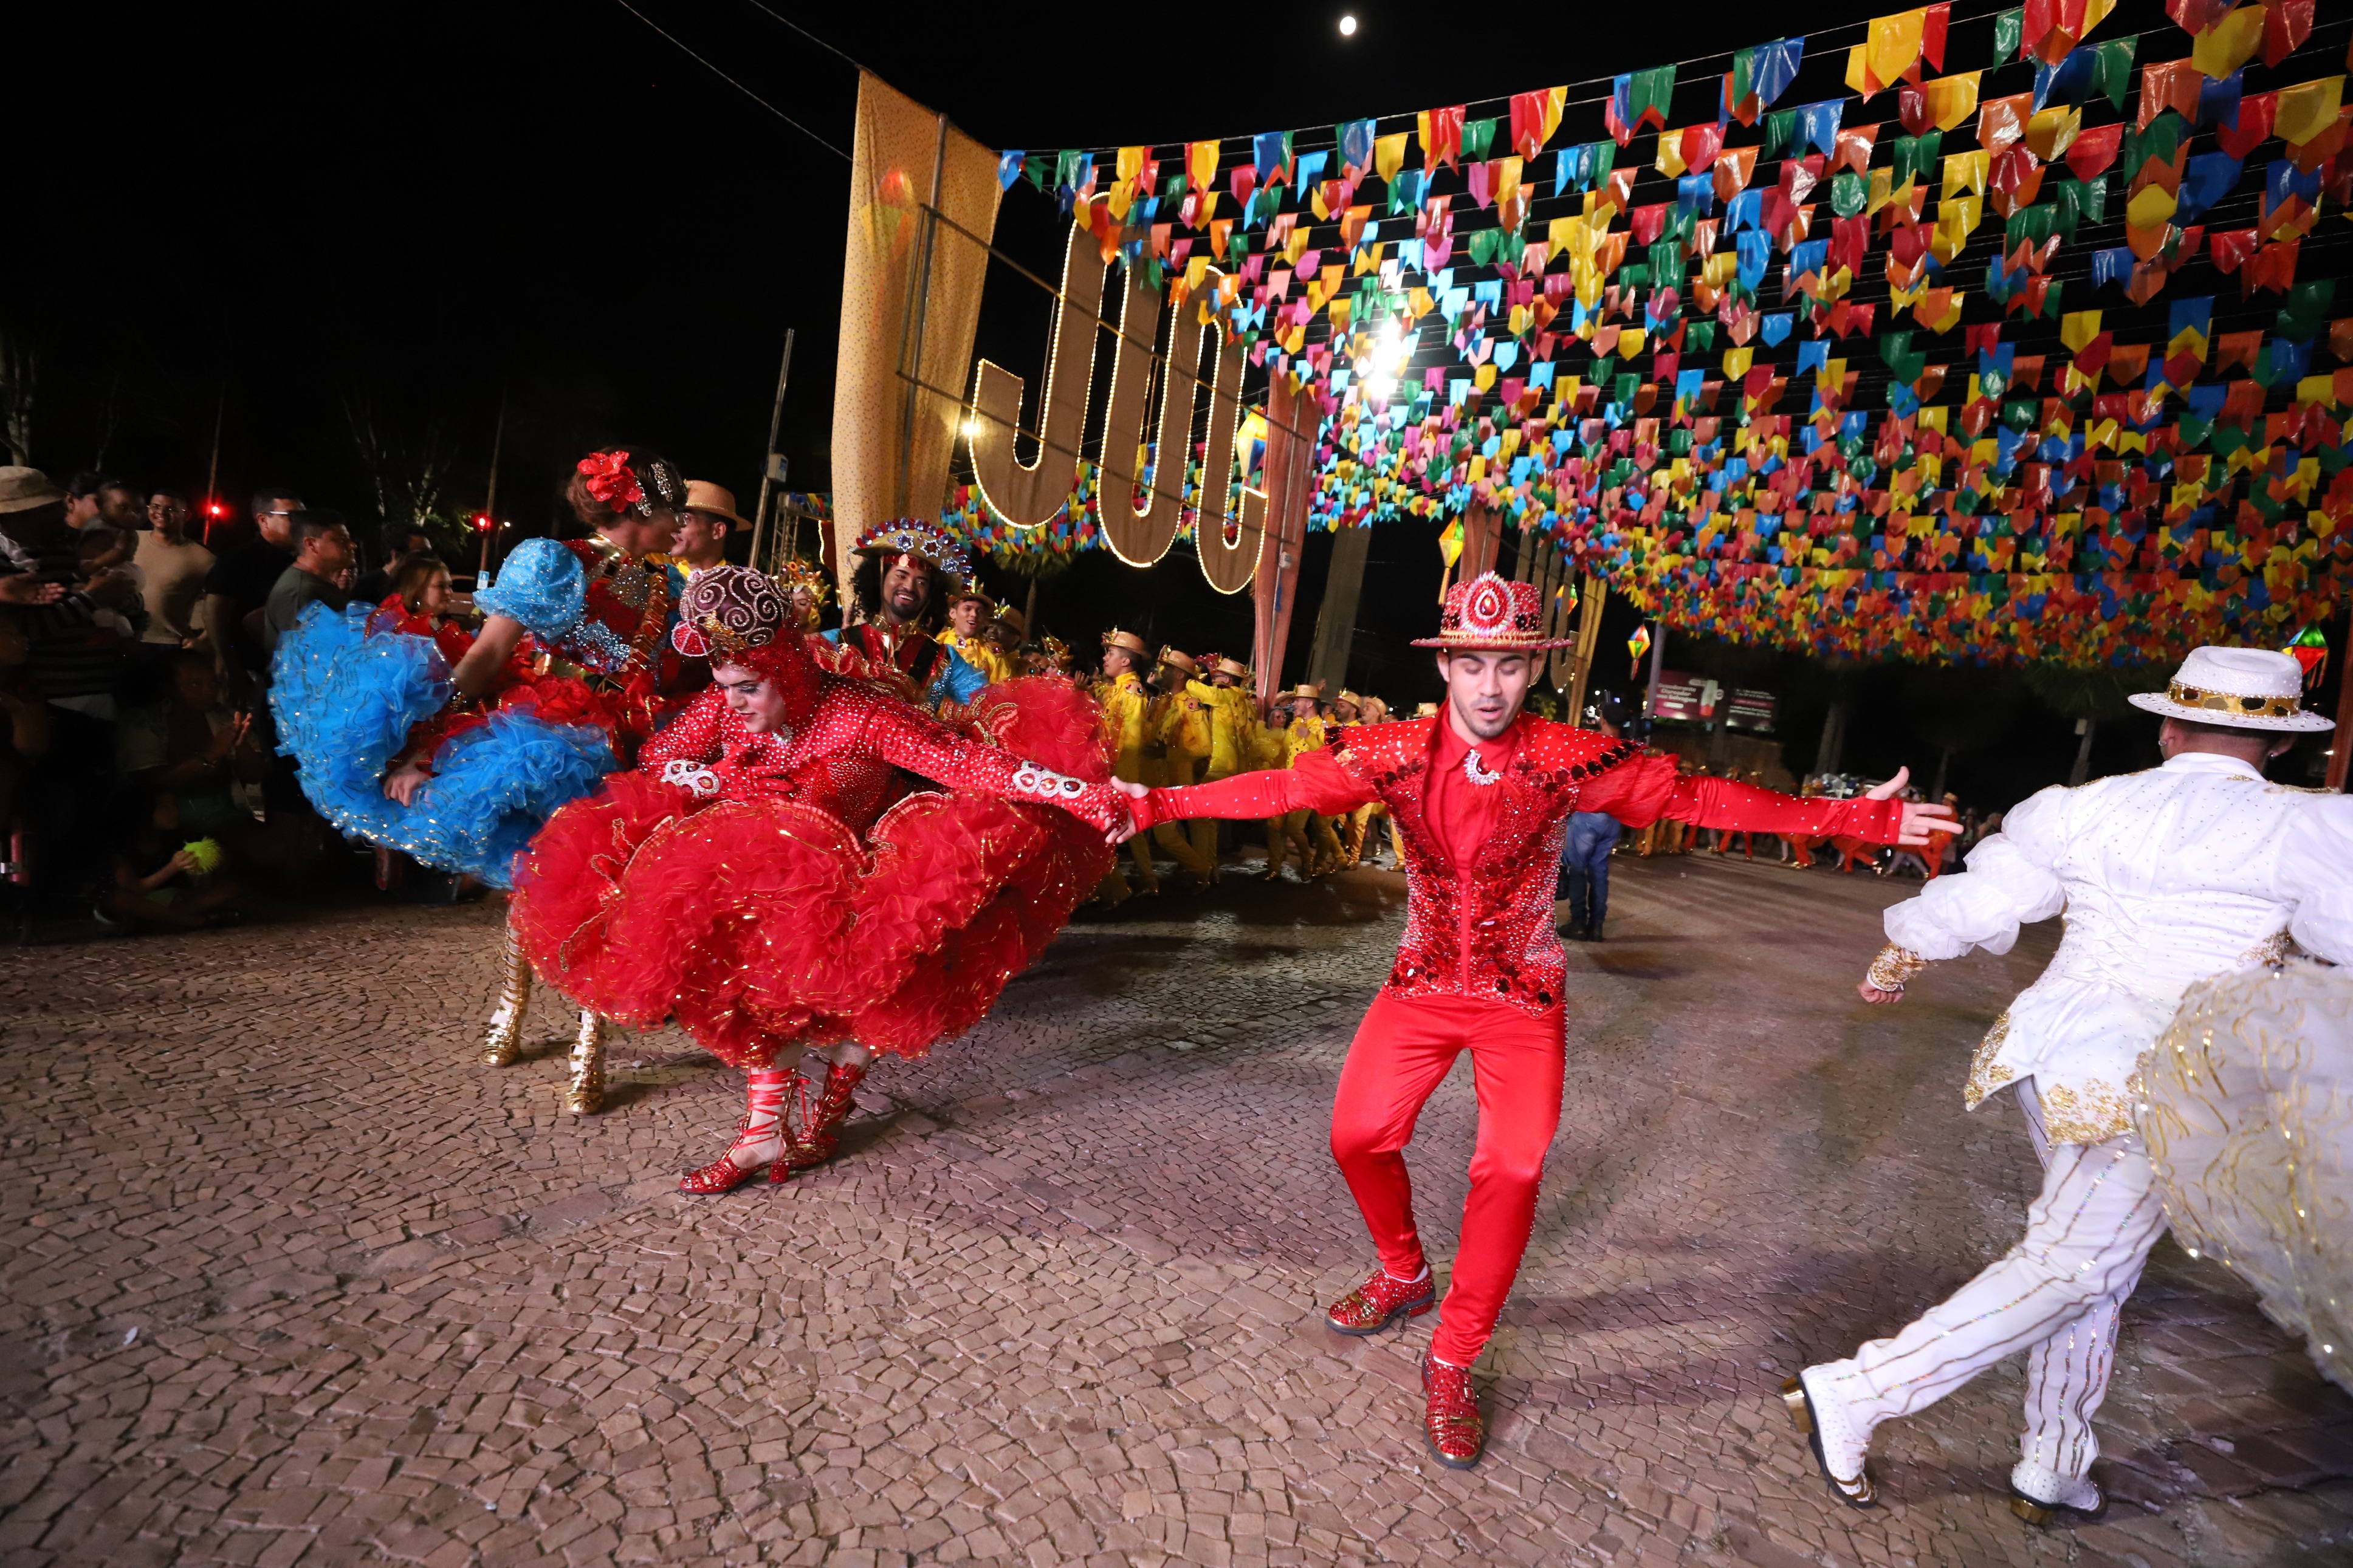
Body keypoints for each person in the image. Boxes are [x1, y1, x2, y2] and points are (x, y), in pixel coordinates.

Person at [1113, 572, 1947, 1468]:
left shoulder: (1565, 757)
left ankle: (1456, 1353)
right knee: (1357, 1135)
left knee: (1511, 1166)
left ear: (1530, 671)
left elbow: (1699, 799)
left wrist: (1861, 816)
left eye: (1508, 665)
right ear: (1446, 669)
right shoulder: (1392, 752)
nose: (1488, 686)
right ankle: (1404, 1272)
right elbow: (1279, 789)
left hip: (1523, 996)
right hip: (1422, 983)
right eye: (1471, 663)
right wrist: (1155, 802)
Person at [1785, 644, 2351, 1524]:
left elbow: (1985, 895)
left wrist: (1900, 955)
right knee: (2077, 1262)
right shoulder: (2305, 826)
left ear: (2167, 727)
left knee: (2094, 1264)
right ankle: (1860, 1390)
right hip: (2172, 1078)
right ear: (2278, 745)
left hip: (2051, 1058)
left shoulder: (2087, 807)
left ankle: (2054, 1458)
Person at [508, 567, 1123, 1191]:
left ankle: (829, 1110)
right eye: (723, 688)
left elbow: (968, 764)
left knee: (872, 996)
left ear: (788, 673)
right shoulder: (728, 708)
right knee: (749, 995)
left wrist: (1078, 792)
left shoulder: (861, 715)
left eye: (747, 688)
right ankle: (763, 1135)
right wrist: (710, 777)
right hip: (764, 883)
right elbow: (661, 756)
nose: (733, 704)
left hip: (858, 888)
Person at [271, 449, 695, 1112]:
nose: (684, 523)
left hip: (626, 747)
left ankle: (589, 1038)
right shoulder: (555, 561)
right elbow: (489, 653)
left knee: (604, 891)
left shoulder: (666, 584)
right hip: (545, 741)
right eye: (676, 510)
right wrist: (427, 747)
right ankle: (511, 1008)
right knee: (535, 881)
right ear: (639, 508)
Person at [0, 468, 142, 909]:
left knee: (97, 797)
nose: (54, 514)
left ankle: (84, 885)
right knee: (62, 801)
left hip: (94, 689)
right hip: (52, 697)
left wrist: (118, 603)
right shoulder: (8, 565)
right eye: (41, 510)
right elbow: (27, 633)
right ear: (12, 517)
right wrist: (90, 601)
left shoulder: (57, 549)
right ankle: (51, 892)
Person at [821, 519, 987, 710]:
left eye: (921, 582)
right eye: (901, 575)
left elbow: (985, 703)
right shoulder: (834, 643)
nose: (909, 587)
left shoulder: (943, 658)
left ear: (931, 595)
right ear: (880, 578)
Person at [199, 484, 303, 702]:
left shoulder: (301, 562)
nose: (301, 524)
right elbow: (215, 615)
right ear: (263, 520)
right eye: (291, 516)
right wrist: (233, 669)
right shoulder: (238, 560)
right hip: (252, 671)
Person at [1093, 628, 1161, 900]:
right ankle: (1142, 880)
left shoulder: (1132, 692)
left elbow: (1130, 740)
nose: (1105, 658)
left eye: (1110, 653)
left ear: (1126, 661)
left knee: (1110, 830)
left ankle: (1114, 888)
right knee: (1127, 830)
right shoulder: (1114, 690)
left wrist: (1111, 773)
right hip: (1110, 770)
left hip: (1119, 772)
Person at [1558, 701, 1629, 940]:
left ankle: (1579, 922)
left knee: (1577, 869)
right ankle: (1597, 926)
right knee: (1599, 871)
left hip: (1588, 817)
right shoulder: (1629, 750)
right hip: (1613, 819)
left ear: (1604, 720)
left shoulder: (1592, 744)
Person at [259, 512, 356, 652]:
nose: (352, 546)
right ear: (311, 545)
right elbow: (304, 659)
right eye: (342, 540)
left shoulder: (320, 582)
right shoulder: (300, 592)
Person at [134, 493, 215, 659]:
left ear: (186, 516)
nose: (161, 512)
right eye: (155, 506)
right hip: (126, 637)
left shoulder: (203, 559)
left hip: (168, 644)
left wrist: (202, 640)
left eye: (170, 509)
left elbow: (221, 605)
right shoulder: (131, 540)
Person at [674, 481, 746, 575]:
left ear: (718, 531)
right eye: (674, 518)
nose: (674, 527)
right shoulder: (661, 578)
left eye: (685, 519)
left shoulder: (736, 585)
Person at [353, 525, 433, 606]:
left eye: (429, 554)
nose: (428, 560)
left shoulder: (426, 587)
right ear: (396, 555)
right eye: (421, 554)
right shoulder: (364, 587)